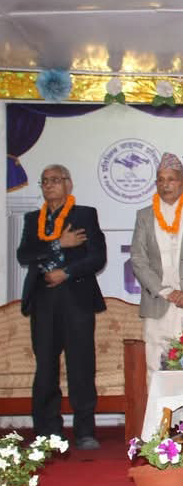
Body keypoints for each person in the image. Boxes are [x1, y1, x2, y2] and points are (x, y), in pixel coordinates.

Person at [17, 165, 107, 450]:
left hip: (76, 298)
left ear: (68, 184)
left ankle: (85, 431)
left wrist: (65, 272)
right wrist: (59, 244)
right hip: (43, 300)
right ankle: (47, 431)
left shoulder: (84, 215)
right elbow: (24, 254)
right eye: (44, 181)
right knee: (45, 367)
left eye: (55, 180)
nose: (49, 185)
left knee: (81, 365)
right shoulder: (33, 219)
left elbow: (97, 257)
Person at [130, 153, 183, 425]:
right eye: (160, 180)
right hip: (159, 303)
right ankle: (162, 426)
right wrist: (165, 291)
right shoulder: (145, 216)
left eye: (171, 179)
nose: (165, 184)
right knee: (157, 368)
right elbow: (138, 260)